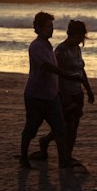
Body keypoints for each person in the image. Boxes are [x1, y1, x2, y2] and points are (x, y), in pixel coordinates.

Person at [19, 12, 78, 169]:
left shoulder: (48, 45)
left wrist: (59, 91)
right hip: (36, 96)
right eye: (48, 27)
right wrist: (68, 75)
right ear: (38, 28)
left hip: (51, 96)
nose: (52, 30)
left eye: (52, 26)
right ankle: (23, 158)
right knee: (31, 129)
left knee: (60, 129)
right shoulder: (36, 46)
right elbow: (48, 67)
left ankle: (63, 161)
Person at [39, 19, 95, 165]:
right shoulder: (60, 51)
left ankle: (62, 152)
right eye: (79, 37)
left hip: (77, 92)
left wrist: (88, 89)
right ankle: (62, 156)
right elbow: (56, 75)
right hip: (64, 93)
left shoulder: (77, 49)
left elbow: (81, 70)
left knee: (74, 125)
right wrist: (64, 96)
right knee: (65, 126)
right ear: (71, 34)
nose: (80, 40)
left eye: (82, 37)